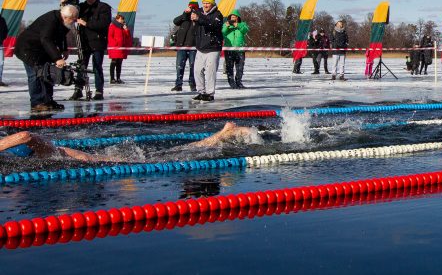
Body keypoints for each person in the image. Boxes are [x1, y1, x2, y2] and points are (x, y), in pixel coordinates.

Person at [0, 121, 256, 161]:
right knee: (174, 153)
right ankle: (223, 134)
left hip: (87, 160)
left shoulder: (11, 142)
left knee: (171, 156)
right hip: (80, 159)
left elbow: (26, 136)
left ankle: (223, 134)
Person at [13, 5, 76, 113]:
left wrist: (64, 49)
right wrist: (57, 58)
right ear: (65, 17)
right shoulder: (51, 20)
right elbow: (46, 39)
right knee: (35, 75)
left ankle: (47, 100)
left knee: (47, 74)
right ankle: (37, 103)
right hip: (28, 49)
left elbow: (62, 36)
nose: (74, 21)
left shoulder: (64, 22)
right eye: (73, 19)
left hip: (42, 50)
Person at [65, 0, 111, 101]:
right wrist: (66, 1)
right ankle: (78, 90)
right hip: (83, 42)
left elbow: (104, 24)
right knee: (81, 67)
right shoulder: (82, 7)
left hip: (97, 41)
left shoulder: (104, 7)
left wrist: (86, 23)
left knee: (97, 67)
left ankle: (99, 91)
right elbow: (68, 13)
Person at [191, 0, 224, 101]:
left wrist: (199, 19)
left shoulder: (218, 15)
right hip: (201, 47)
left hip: (213, 47)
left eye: (208, 3)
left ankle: (210, 93)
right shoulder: (198, 12)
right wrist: (187, 14)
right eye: (204, 3)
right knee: (197, 70)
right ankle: (201, 92)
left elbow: (212, 24)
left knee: (210, 71)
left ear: (212, 3)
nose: (205, 5)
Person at [171, 0, 199, 92]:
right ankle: (178, 84)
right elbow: (175, 21)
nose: (191, 9)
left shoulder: (198, 18)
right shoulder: (184, 18)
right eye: (190, 7)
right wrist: (185, 14)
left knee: (193, 67)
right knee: (179, 66)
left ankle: (193, 84)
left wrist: (196, 16)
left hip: (193, 47)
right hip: (182, 46)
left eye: (193, 7)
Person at [222, 10, 249, 89]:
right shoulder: (225, 25)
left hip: (240, 50)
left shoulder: (242, 24)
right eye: (231, 17)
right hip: (229, 49)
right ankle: (231, 82)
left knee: (240, 67)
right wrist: (227, 26)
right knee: (229, 67)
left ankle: (239, 82)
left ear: (238, 18)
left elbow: (245, 30)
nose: (233, 19)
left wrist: (237, 25)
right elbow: (223, 32)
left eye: (235, 17)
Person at [107, 14, 132, 84]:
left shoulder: (123, 27)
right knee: (113, 62)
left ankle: (118, 78)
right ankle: (112, 78)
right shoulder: (112, 26)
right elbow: (110, 36)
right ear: (117, 19)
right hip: (115, 48)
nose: (122, 20)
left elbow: (127, 37)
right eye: (121, 19)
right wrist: (115, 44)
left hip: (121, 48)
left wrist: (126, 30)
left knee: (119, 63)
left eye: (123, 19)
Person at [0, 14, 8, 87]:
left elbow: (5, 31)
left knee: (1, 63)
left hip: (0, 45)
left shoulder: (2, 20)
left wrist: (2, 39)